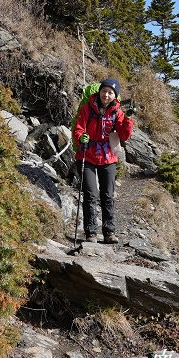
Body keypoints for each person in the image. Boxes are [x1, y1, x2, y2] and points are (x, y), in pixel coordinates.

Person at [72, 78, 133, 244]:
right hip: (87, 154)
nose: (106, 94)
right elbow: (78, 128)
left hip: (108, 157)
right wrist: (80, 137)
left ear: (115, 96)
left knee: (107, 195)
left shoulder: (117, 112)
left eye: (110, 92)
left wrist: (127, 118)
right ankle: (91, 233)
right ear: (99, 92)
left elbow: (124, 135)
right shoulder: (87, 108)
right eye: (104, 91)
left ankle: (109, 232)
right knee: (90, 195)